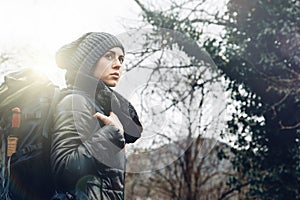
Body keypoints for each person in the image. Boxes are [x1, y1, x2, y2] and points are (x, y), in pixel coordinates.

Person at [51, 32, 143, 200]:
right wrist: (112, 134)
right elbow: (63, 169)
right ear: (89, 61)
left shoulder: (102, 108)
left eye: (121, 59)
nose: (118, 65)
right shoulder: (75, 101)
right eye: (109, 56)